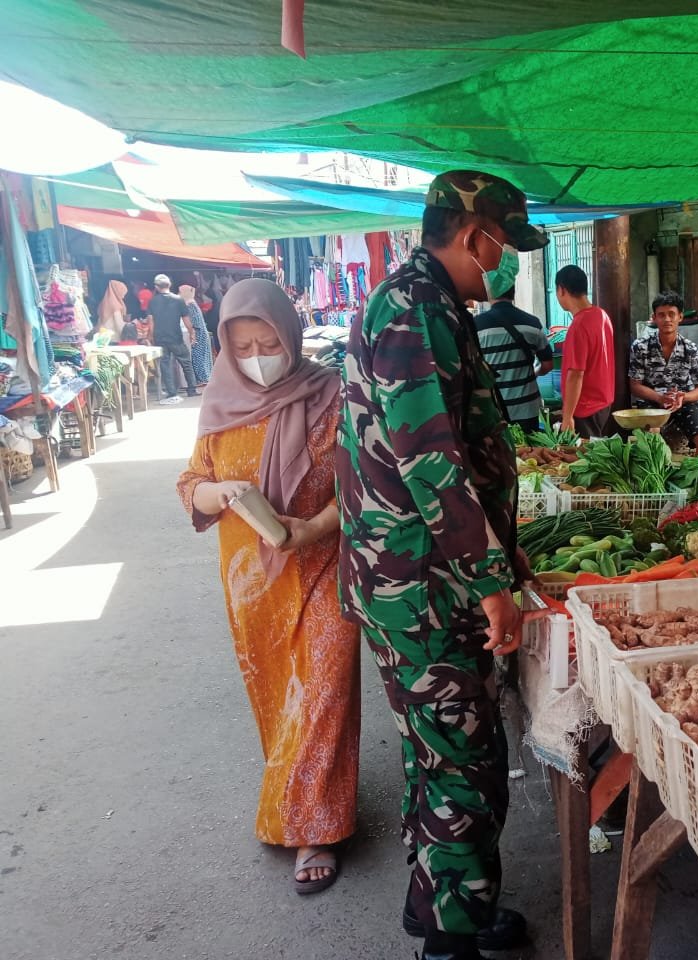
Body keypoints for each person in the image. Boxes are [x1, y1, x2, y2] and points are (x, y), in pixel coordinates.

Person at [336, 170, 548, 960]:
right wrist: (491, 585)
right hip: (422, 584)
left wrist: (502, 539)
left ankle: (443, 902)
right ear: (472, 235)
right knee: (464, 758)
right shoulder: (416, 308)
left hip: (418, 574)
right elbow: (431, 462)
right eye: (502, 245)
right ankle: (451, 940)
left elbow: (455, 446)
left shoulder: (427, 301)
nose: (504, 262)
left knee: (437, 750)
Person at [175, 278, 360, 896]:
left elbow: (361, 487)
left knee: (325, 691)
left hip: (323, 562)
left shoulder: (331, 395)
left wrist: (312, 528)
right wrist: (219, 492)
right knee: (283, 700)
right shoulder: (219, 402)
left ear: (291, 334)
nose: (257, 357)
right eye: (243, 347)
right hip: (252, 582)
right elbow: (191, 483)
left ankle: (315, 829)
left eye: (268, 343)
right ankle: (302, 795)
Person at [628, 290, 698, 454]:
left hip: (683, 404)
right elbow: (635, 386)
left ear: (680, 317)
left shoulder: (691, 349)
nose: (667, 319)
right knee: (652, 439)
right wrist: (660, 398)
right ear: (654, 318)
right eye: (661, 315)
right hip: (651, 403)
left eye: (671, 314)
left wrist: (683, 397)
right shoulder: (640, 347)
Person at [473, 284, 553, 434]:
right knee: (530, 449)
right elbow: (548, 365)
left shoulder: (475, 326)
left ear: (490, 294)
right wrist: (534, 373)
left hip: (493, 409)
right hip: (527, 409)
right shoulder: (532, 323)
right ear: (514, 292)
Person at [555, 264, 615, 438]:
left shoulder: (578, 325)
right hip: (603, 404)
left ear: (561, 290)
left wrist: (567, 416)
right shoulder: (602, 315)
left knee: (584, 453)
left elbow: (576, 374)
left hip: (585, 408)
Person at [148, 274, 199, 404]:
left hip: (160, 338)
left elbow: (151, 322)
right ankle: (192, 389)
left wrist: (151, 337)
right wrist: (192, 332)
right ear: (169, 285)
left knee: (165, 365)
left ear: (156, 287)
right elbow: (186, 319)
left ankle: (172, 392)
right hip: (176, 337)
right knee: (186, 363)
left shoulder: (152, 301)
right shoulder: (179, 300)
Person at [179, 283, 214, 386]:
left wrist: (192, 333)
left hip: (198, 333)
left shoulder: (190, 305)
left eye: (180, 292)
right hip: (200, 332)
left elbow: (195, 322)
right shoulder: (191, 303)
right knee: (202, 356)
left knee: (198, 356)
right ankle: (204, 377)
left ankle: (202, 378)